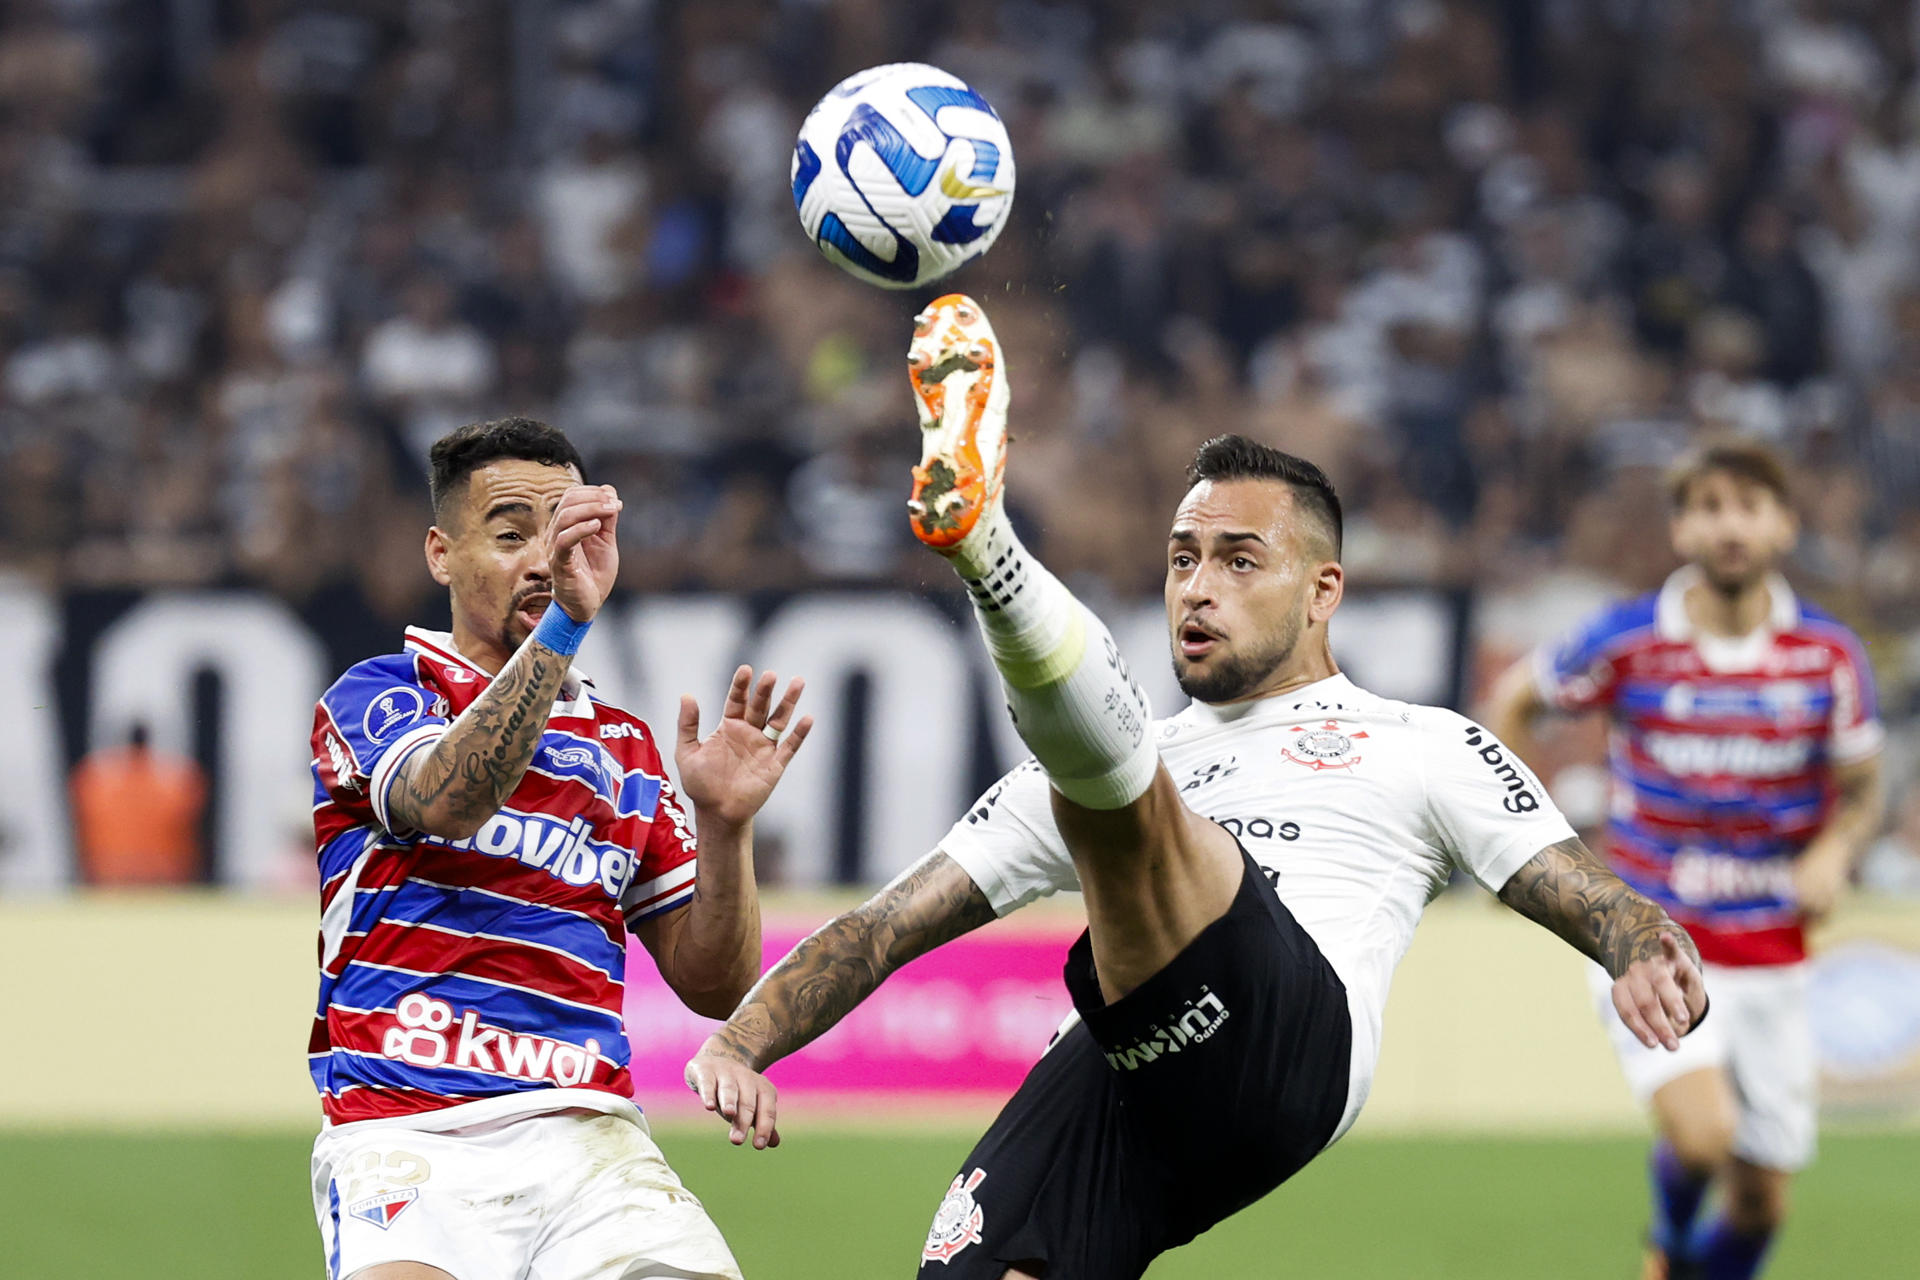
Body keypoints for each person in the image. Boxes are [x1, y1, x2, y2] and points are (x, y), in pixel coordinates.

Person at [683, 295, 1709, 1279]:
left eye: (1238, 558)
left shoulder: (1420, 743)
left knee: (1123, 805)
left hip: (1286, 1046)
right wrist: (741, 1040)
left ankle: (985, 545)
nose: (1198, 585)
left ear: (1323, 591)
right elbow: (885, 922)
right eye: (1182, 558)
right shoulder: (1125, 756)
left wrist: (1638, 942)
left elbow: (1568, 876)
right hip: (1132, 1069)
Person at [307, 416, 814, 1280]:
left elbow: (717, 983)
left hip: (591, 1145)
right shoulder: (383, 694)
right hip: (407, 1134)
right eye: (511, 536)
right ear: (442, 554)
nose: (544, 561)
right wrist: (565, 631)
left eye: (563, 533)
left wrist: (727, 827)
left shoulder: (623, 748)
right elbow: (449, 801)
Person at [1487, 439, 1885, 1280]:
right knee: (1704, 1137)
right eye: (1708, 506)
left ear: (1783, 525)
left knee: (1760, 1205)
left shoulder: (1829, 656)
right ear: (1680, 528)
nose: (1728, 525)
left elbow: (1862, 789)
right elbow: (1515, 702)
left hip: (1775, 952)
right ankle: (1667, 1247)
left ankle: (1683, 1263)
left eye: (1748, 505)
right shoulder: (1628, 640)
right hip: (1652, 938)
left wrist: (1834, 851)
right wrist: (1526, 849)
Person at [69, 721, 207, 885]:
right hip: (162, 870)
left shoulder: (96, 781)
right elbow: (190, 809)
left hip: (110, 869)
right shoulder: (174, 782)